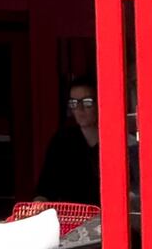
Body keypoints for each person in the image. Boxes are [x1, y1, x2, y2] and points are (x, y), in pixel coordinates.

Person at [34, 77, 103, 205]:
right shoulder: (62, 141)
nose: (80, 109)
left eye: (87, 102)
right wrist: (39, 203)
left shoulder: (115, 139)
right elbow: (46, 187)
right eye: (74, 103)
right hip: (74, 218)